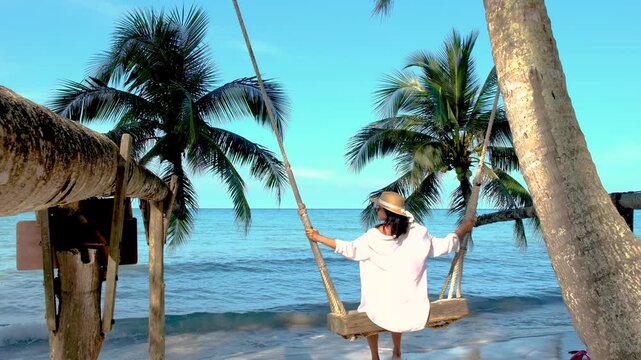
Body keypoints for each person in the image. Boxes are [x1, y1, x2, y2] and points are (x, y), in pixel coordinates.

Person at [305, 191, 475, 360]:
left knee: (369, 301)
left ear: (386, 212)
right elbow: (444, 246)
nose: (376, 210)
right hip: (413, 307)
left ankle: (375, 356)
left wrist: (319, 237)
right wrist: (463, 229)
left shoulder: (373, 237)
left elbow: (349, 249)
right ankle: (397, 352)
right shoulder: (419, 233)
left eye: (377, 207)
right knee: (397, 292)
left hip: (380, 308)